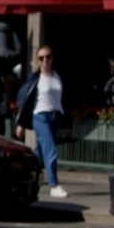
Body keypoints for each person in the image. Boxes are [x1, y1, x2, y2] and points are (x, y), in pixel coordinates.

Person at [16, 46, 68, 198]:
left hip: (54, 116)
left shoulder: (58, 76)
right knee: (50, 149)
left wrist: (65, 124)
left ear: (52, 58)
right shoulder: (35, 79)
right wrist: (20, 123)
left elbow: (63, 100)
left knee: (40, 150)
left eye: (48, 57)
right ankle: (54, 185)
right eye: (41, 58)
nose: (45, 60)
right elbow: (25, 101)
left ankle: (25, 172)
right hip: (40, 116)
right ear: (37, 61)